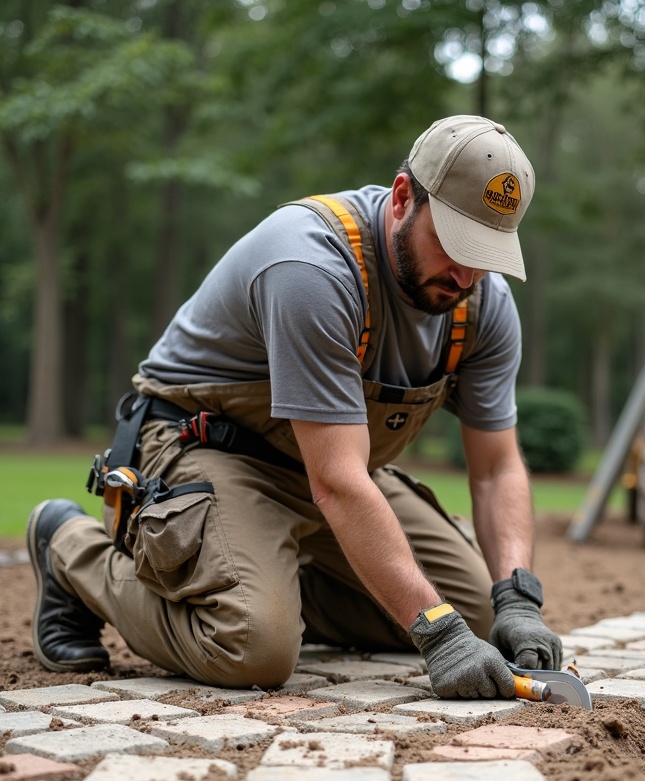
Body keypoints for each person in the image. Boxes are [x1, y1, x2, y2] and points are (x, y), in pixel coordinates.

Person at [27, 114, 563, 698]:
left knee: (482, 622)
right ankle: (68, 548)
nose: (464, 274)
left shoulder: (482, 304)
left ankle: (265, 574)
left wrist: (518, 596)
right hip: (206, 446)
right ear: (404, 196)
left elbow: (496, 468)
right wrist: (437, 633)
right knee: (253, 646)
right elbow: (336, 481)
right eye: (453, 243)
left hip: (334, 473)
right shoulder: (312, 267)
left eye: (485, 253)